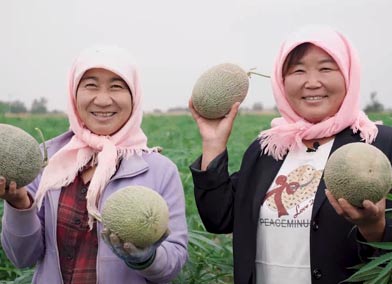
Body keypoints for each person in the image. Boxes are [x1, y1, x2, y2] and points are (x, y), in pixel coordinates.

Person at [188, 25, 392, 284]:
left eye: (326, 68)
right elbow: (220, 218)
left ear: (349, 74)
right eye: (298, 70)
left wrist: (375, 229)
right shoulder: (268, 148)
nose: (312, 82)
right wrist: (214, 144)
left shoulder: (378, 144)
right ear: (281, 81)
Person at [0, 45, 188, 283]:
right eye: (90, 85)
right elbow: (22, 257)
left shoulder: (160, 171)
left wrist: (147, 259)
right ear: (73, 93)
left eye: (117, 86)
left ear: (134, 96)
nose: (102, 100)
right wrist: (19, 204)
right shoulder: (46, 161)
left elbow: (173, 265)